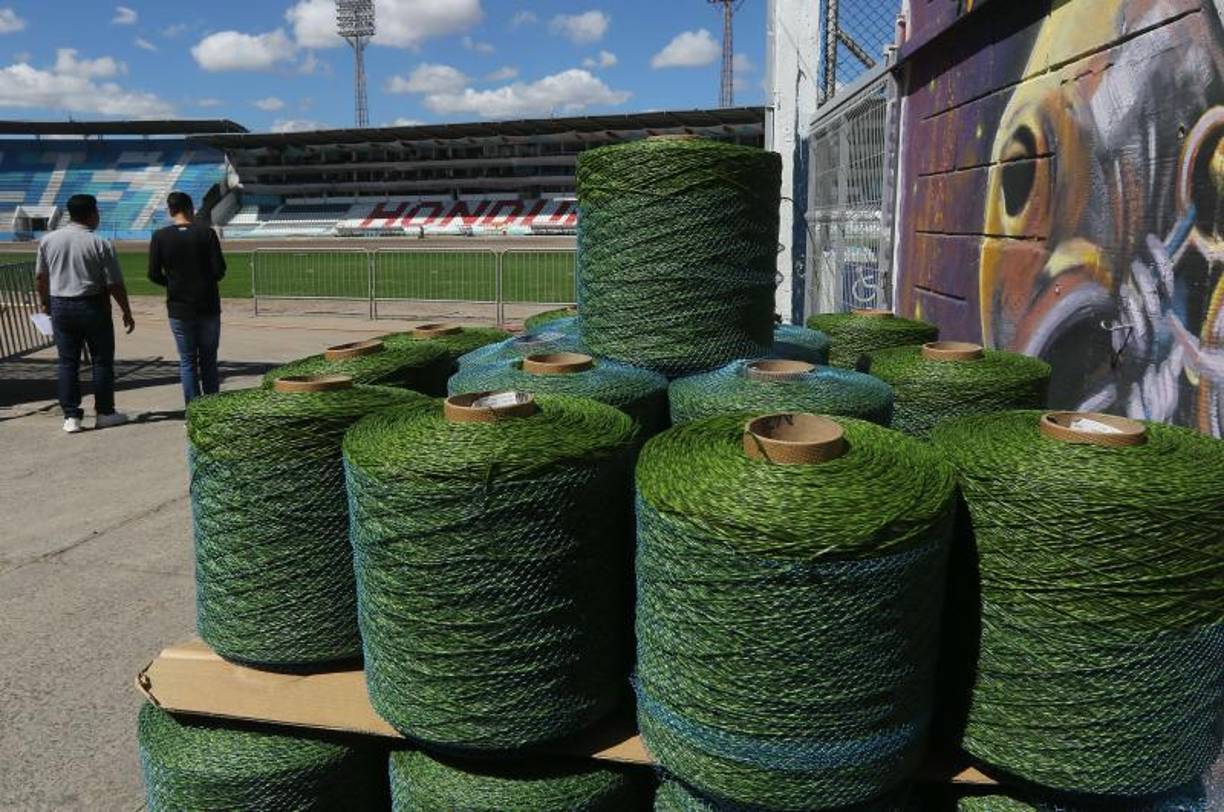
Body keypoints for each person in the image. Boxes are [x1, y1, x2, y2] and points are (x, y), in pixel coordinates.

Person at [35, 193, 135, 434]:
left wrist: (45, 303)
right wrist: (126, 310)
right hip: (92, 304)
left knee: (67, 362)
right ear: (92, 214)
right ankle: (105, 412)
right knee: (101, 360)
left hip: (61, 303)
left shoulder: (49, 240)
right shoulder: (99, 243)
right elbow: (114, 283)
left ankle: (71, 416)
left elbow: (40, 277)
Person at [147, 191, 226, 406]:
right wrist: (204, 281)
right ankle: (212, 406)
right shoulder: (206, 234)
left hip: (179, 307)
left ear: (170, 211)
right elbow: (219, 269)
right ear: (191, 209)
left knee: (187, 360)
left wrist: (173, 284)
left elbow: (153, 273)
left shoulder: (160, 236)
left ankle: (193, 408)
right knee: (208, 360)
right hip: (207, 304)